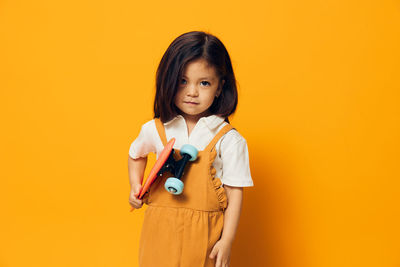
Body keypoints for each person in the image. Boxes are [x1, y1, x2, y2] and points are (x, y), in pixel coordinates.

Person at [128, 31, 254, 267]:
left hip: (205, 236)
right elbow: (136, 154)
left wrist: (227, 240)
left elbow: (235, 193)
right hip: (159, 232)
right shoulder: (156, 128)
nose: (192, 92)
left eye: (204, 83)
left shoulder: (228, 139)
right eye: (182, 81)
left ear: (219, 87)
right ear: (168, 80)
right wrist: (136, 185)